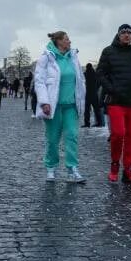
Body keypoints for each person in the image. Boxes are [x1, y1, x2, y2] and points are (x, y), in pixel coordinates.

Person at [34, 30, 86, 183]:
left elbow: (80, 80)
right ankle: (51, 168)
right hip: (53, 106)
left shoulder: (73, 57)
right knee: (52, 139)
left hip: (71, 106)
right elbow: (39, 81)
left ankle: (72, 169)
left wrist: (82, 99)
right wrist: (44, 102)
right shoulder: (46, 57)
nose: (69, 41)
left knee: (72, 136)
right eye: (67, 39)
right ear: (59, 42)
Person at [96, 24, 131, 184]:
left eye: (129, 32)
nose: (127, 35)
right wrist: (111, 88)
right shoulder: (108, 51)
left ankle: (128, 169)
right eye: (123, 32)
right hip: (116, 100)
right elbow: (100, 73)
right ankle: (114, 165)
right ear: (118, 35)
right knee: (118, 133)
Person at [82, 62, 103, 127]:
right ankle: (99, 122)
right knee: (96, 109)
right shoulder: (95, 75)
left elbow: (82, 83)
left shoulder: (85, 74)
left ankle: (87, 123)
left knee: (87, 110)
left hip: (87, 94)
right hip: (94, 94)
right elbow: (99, 83)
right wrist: (96, 89)